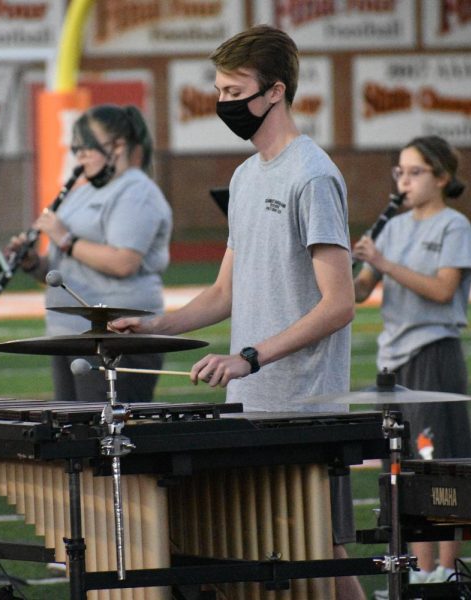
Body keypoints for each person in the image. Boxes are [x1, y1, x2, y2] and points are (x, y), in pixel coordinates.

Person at [112, 25, 364, 599]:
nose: (222, 102)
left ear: (274, 92)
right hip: (250, 406)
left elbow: (339, 303)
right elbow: (225, 294)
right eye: (219, 90)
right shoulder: (245, 177)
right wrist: (152, 327)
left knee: (320, 549)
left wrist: (251, 357)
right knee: (271, 550)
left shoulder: (313, 175)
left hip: (303, 404)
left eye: (234, 90)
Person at [352, 135, 471, 592]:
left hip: (432, 351)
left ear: (442, 177)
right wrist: (330, 266)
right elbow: (360, 291)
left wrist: (383, 261)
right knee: (401, 463)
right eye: (399, 173)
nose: (403, 181)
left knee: (436, 458)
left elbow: (443, 290)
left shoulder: (454, 226)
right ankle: (419, 569)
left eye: (414, 172)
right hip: (394, 359)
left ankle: (446, 568)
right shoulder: (393, 226)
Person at [13, 104, 172, 402]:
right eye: (77, 148)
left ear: (117, 146)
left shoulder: (137, 191)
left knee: (106, 435)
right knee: (72, 436)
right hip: (68, 333)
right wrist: (34, 263)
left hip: (115, 335)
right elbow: (67, 266)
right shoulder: (83, 191)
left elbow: (124, 261)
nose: (80, 156)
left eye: (88, 147)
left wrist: (66, 239)